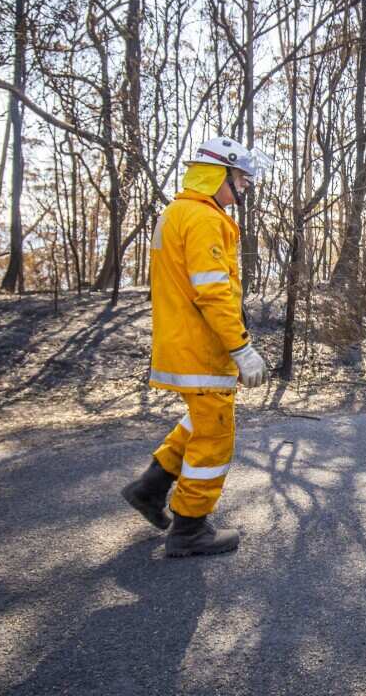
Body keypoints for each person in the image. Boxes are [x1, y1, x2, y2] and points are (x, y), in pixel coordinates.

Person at [120, 136, 273, 558]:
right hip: (202, 350)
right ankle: (190, 528)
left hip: (182, 344)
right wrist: (241, 347)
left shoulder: (176, 213)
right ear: (216, 173)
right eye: (240, 178)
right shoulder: (205, 219)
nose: (244, 187)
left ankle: (149, 489)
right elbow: (214, 294)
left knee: (199, 421)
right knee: (215, 436)